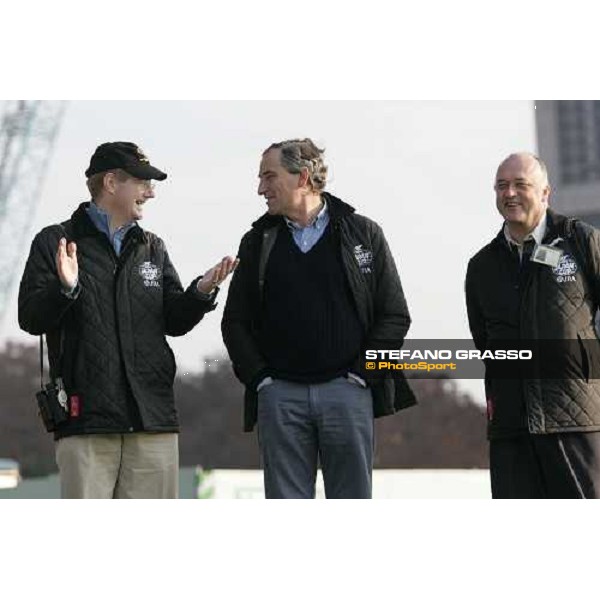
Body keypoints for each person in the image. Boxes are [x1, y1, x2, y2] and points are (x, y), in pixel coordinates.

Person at [18, 141, 237, 499]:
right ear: (110, 183)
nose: (150, 193)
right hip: (86, 421)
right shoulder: (54, 241)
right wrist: (67, 288)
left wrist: (200, 291)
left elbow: (175, 321)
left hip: (153, 422)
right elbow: (29, 317)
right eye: (142, 182)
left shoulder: (154, 246)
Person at [221, 138, 415, 499]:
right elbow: (234, 323)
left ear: (303, 177)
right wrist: (261, 380)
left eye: (269, 176)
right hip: (279, 399)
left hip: (349, 394)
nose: (261, 188)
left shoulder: (364, 232)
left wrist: (362, 376)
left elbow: (394, 315)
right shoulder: (257, 241)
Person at [465, 152, 600, 498]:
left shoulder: (581, 242)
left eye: (520, 184)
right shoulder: (482, 266)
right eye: (501, 186)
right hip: (511, 428)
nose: (509, 193)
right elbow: (483, 341)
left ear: (545, 193)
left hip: (575, 420)